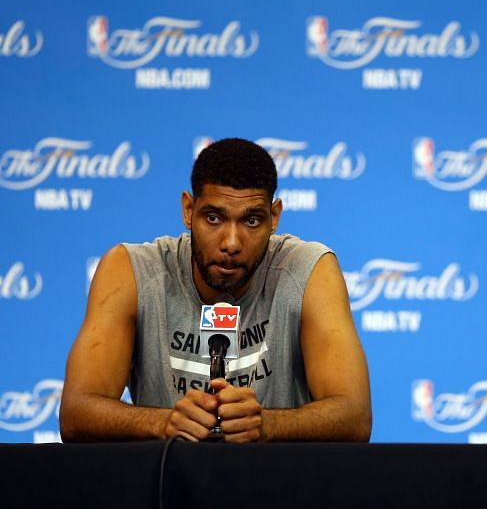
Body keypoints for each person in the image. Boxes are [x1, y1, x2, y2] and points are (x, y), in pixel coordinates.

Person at [59, 138, 372, 443]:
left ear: (274, 218)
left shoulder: (308, 269)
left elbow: (354, 416)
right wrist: (164, 423)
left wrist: (269, 424)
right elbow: (76, 413)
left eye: (251, 220)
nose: (231, 243)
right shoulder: (132, 270)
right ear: (187, 210)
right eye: (213, 218)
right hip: (168, 490)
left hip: (277, 490)